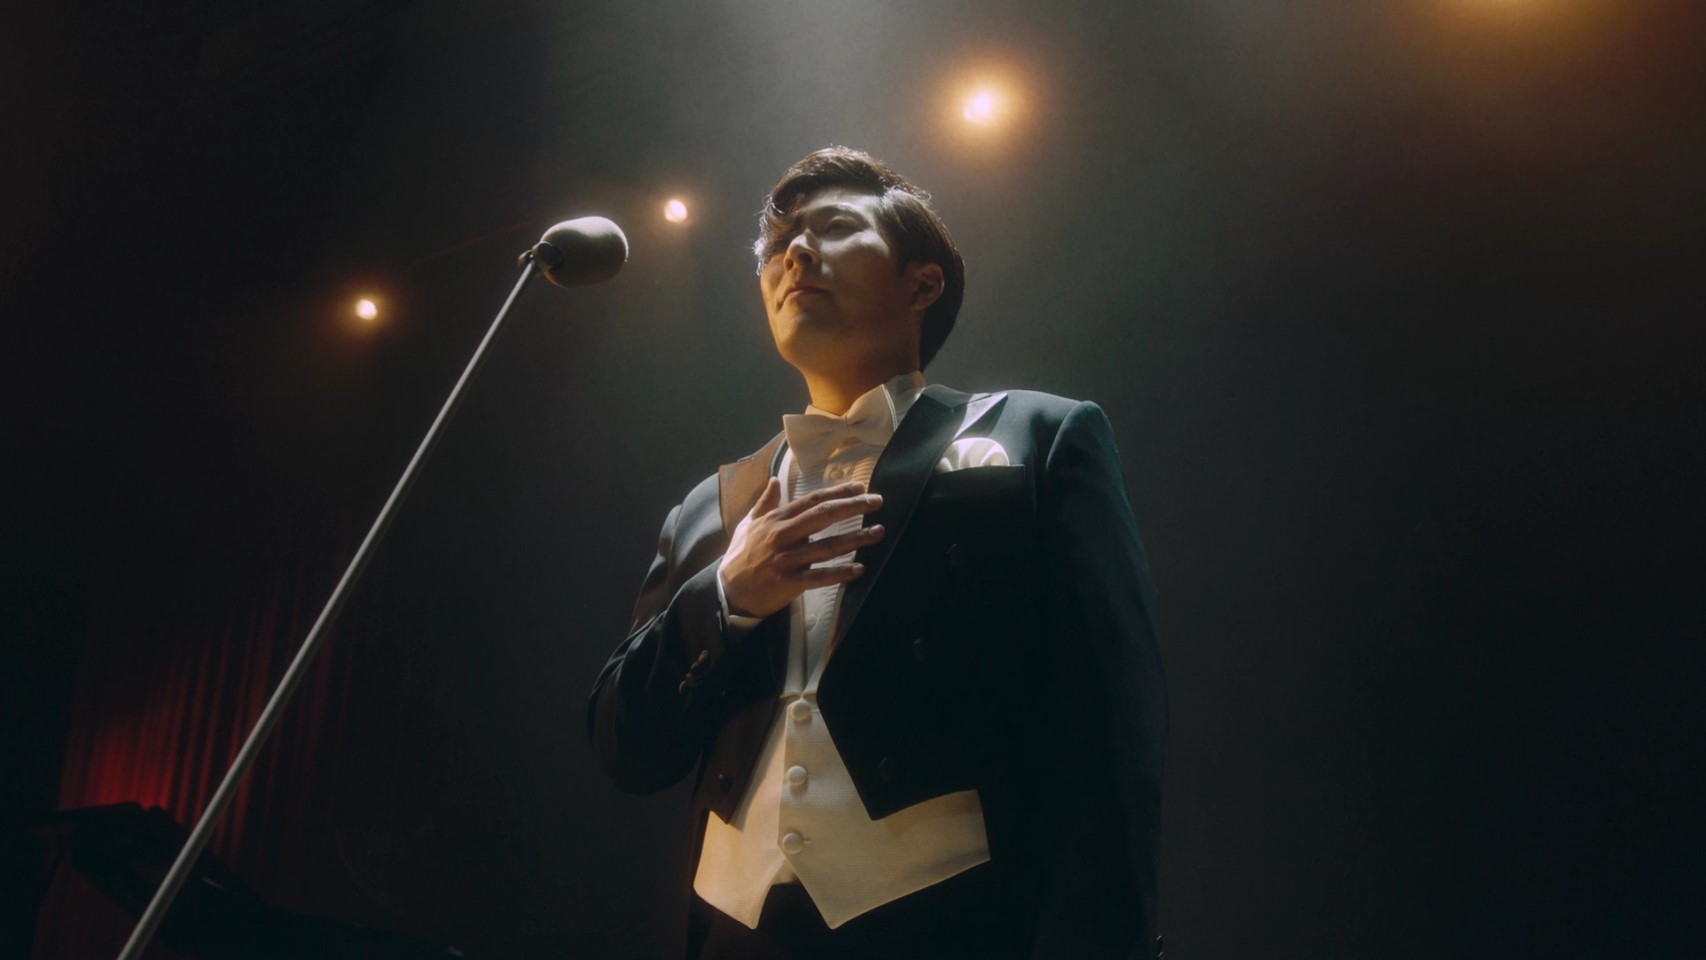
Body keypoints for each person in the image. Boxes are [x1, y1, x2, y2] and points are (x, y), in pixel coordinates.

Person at [587, 146, 1166, 959]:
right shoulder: (707, 509)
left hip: (955, 929)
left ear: (922, 284)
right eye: (778, 243)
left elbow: (1112, 729)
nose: (794, 251)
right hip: (731, 938)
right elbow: (625, 748)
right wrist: (727, 596)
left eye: (833, 226)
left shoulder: (1040, 436)